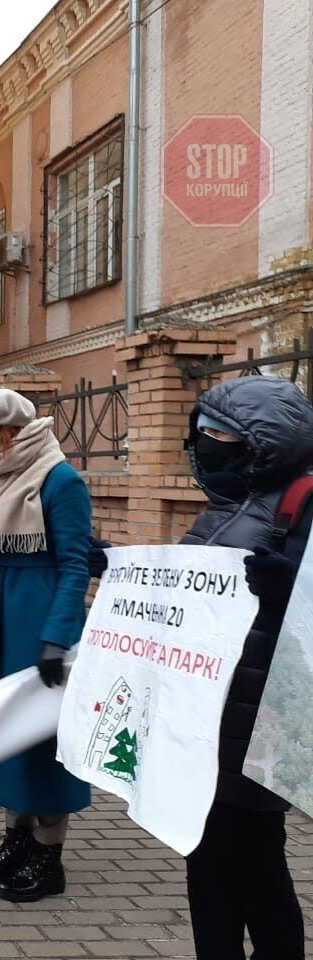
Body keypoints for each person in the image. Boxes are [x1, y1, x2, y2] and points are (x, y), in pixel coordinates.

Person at [176, 378, 312, 957]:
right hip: (206, 715)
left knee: (257, 865)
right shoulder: (225, 507)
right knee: (205, 860)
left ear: (263, 444)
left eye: (219, 435)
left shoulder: (302, 502)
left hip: (267, 724)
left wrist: (289, 592)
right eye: (201, 432)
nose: (205, 444)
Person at [0, 388, 90, 902]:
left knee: (43, 740)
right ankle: (16, 839)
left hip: (39, 618)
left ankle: (48, 854)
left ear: (14, 432)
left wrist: (56, 637)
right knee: (8, 732)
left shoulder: (60, 481)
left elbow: (75, 565)